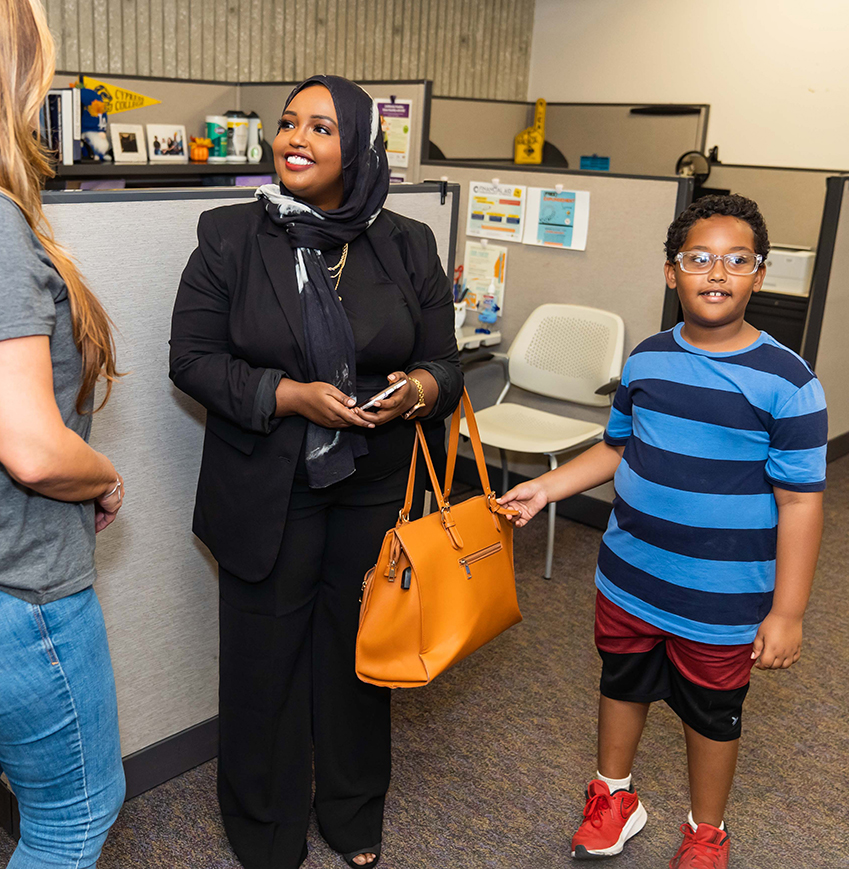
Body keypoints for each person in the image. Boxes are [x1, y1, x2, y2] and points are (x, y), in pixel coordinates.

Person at [169, 75, 462, 869]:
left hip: (374, 481)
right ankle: (264, 828)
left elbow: (446, 362)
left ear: (359, 147)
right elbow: (191, 360)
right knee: (265, 658)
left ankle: (352, 809)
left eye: (321, 128)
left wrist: (419, 390)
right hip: (268, 481)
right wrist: (288, 394)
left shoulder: (406, 243)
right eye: (289, 123)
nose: (295, 138)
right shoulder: (231, 235)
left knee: (358, 651)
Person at [499, 195, 827, 869]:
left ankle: (707, 830)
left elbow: (800, 504)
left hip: (721, 594)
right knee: (621, 684)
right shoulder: (647, 359)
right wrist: (549, 484)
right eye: (698, 258)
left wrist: (787, 610)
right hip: (630, 575)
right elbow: (617, 447)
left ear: (759, 276)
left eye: (737, 260)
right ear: (671, 272)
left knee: (710, 713)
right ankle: (614, 795)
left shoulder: (789, 382)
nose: (717, 272)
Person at [0, 0, 127, 866]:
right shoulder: (1, 232)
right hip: (24, 587)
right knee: (76, 814)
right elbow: (35, 449)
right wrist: (105, 474)